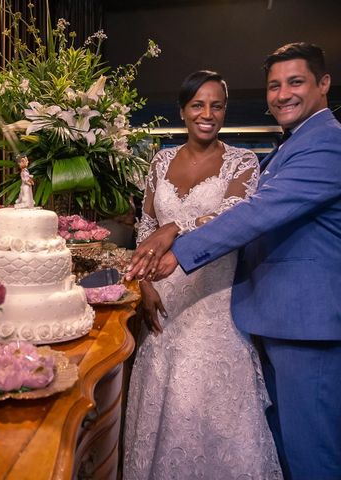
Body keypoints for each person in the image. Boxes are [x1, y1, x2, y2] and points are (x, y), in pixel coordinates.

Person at [126, 43, 341, 480]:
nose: (282, 94)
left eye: (295, 82)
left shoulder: (325, 145)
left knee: (312, 455)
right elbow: (146, 224)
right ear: (182, 110)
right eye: (274, 85)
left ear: (323, 85)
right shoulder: (290, 146)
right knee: (291, 448)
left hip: (299, 319)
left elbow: (253, 213)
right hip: (271, 314)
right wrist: (147, 274)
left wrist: (178, 238)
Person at [123, 70, 282, 479]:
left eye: (217, 105)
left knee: (213, 417)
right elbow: (145, 227)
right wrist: (144, 284)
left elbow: (232, 219)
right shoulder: (160, 161)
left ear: (225, 111)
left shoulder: (242, 161)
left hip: (214, 308)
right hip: (163, 304)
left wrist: (175, 227)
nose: (207, 114)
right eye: (198, 105)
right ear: (183, 110)